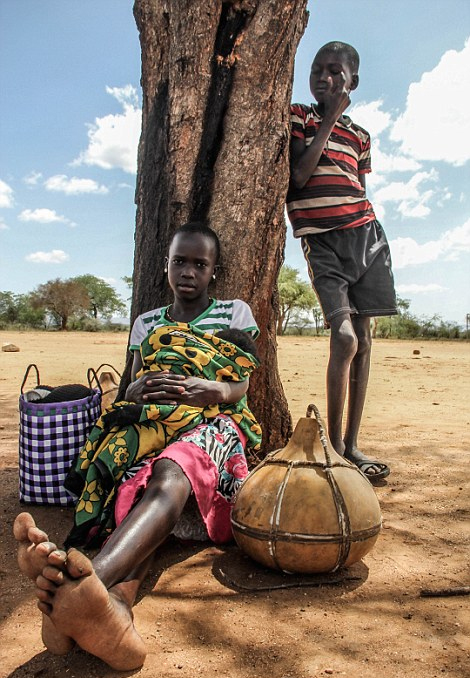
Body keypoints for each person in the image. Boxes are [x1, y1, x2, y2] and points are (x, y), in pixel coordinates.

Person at [13, 221, 261, 670]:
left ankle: (85, 583)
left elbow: (240, 384)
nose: (188, 271)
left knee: (170, 474)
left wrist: (212, 390)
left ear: (214, 272)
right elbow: (127, 388)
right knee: (135, 490)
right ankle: (116, 608)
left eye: (199, 264)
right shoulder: (147, 323)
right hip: (151, 424)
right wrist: (139, 387)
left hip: (213, 427)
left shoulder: (234, 314)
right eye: (179, 261)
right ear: (165, 266)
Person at [286, 41, 397, 482]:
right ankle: (333, 447)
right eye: (317, 70)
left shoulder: (362, 136)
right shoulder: (301, 117)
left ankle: (353, 445)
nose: (323, 78)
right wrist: (329, 116)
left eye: (335, 71)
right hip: (323, 242)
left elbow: (357, 189)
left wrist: (365, 233)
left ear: (354, 82)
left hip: (366, 238)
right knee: (346, 339)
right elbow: (298, 176)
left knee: (365, 341)